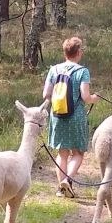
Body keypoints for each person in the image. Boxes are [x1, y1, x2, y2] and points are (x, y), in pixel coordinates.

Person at [43, 37, 99, 197]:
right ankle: (67, 180)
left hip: (57, 115)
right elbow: (86, 97)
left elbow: (46, 94)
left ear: (65, 52)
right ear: (78, 52)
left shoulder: (54, 70)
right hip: (76, 116)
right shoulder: (82, 71)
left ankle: (61, 190)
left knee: (62, 154)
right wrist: (95, 98)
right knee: (78, 153)